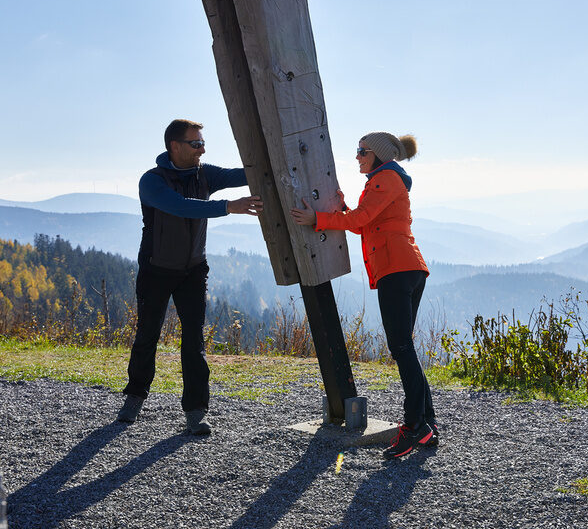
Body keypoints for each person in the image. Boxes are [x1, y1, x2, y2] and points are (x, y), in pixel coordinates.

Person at [290, 131, 437, 458]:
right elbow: (363, 223)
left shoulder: (385, 179)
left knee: (402, 348)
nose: (357, 156)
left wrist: (317, 218)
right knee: (405, 348)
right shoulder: (386, 180)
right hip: (407, 268)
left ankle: (415, 426)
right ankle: (427, 424)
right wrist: (343, 208)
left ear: (378, 155)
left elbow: (361, 219)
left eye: (362, 151)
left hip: (397, 270)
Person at [117, 119, 263, 434]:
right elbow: (181, 207)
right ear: (175, 146)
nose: (202, 149)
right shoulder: (152, 181)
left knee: (194, 340)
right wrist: (229, 207)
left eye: (202, 143)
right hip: (156, 270)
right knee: (147, 335)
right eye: (195, 144)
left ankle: (196, 411)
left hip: (193, 270)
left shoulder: (204, 173)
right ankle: (135, 397)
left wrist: (271, 163)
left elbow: (242, 175)